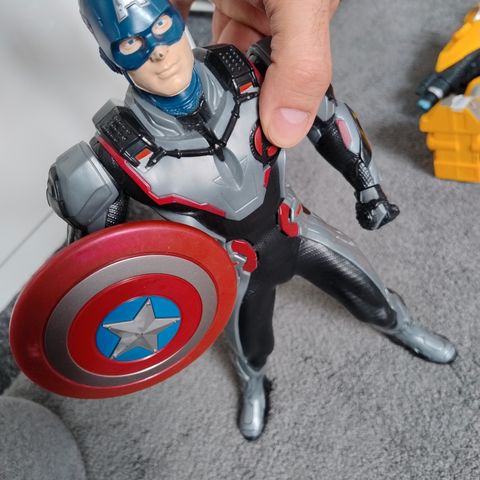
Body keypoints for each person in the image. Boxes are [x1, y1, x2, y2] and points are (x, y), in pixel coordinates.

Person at [47, 0, 456, 441]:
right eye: (132, 44)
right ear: (111, 58)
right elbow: (98, 272)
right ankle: (254, 381)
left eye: (162, 25)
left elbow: (327, 117)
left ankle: (400, 326)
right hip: (234, 269)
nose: (159, 52)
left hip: (295, 229)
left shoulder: (248, 70)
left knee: (369, 292)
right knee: (251, 346)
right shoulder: (111, 157)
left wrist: (368, 186)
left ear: (179, 18)